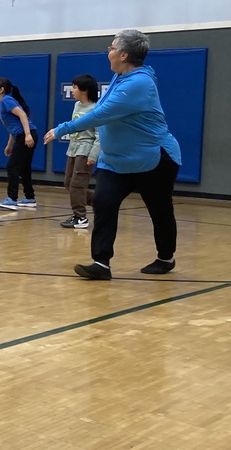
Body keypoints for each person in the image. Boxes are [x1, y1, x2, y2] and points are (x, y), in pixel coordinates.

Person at [44, 29, 181, 280]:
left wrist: (63, 129)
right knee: (104, 202)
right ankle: (101, 263)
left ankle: (165, 257)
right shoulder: (120, 77)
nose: (108, 52)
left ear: (124, 54)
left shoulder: (139, 83)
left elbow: (101, 114)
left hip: (153, 159)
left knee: (159, 209)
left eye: (111, 48)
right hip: (115, 160)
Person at [60, 74, 101, 229]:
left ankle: (80, 217)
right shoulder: (77, 105)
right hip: (73, 149)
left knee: (78, 184)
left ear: (84, 90)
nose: (72, 90)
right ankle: (99, 202)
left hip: (85, 150)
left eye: (75, 87)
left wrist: (93, 155)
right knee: (68, 183)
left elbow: (99, 135)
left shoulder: (96, 109)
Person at [0, 77, 37, 210]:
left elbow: (22, 115)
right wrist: (9, 145)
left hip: (26, 135)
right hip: (23, 135)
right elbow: (14, 126)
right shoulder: (5, 102)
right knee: (24, 168)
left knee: (12, 166)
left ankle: (12, 199)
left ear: (1, 90)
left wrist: (27, 135)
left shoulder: (6, 100)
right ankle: (29, 197)